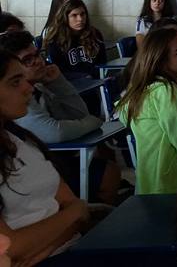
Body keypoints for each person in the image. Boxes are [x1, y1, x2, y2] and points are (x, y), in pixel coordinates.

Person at [0, 31, 127, 204]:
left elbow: (79, 114)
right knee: (107, 173)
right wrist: (93, 121)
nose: (38, 61)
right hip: (36, 169)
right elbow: (55, 132)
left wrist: (58, 82)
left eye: (37, 55)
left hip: (47, 163)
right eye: (27, 60)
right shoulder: (16, 100)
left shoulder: (40, 86)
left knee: (106, 168)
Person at [0, 50, 92, 265]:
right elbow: (10, 247)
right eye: (15, 82)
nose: (29, 88)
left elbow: (75, 207)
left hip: (65, 249)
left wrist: (48, 244)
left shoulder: (23, 140)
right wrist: (75, 212)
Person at [115, 28, 177, 194]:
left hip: (148, 184)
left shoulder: (143, 89)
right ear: (161, 62)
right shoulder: (166, 92)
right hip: (174, 185)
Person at [42, 0, 107, 79]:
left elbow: (103, 62)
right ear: (65, 18)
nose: (80, 19)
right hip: (70, 81)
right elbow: (58, 70)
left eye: (82, 14)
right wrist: (81, 76)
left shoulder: (95, 34)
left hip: (95, 80)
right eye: (74, 15)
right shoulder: (55, 39)